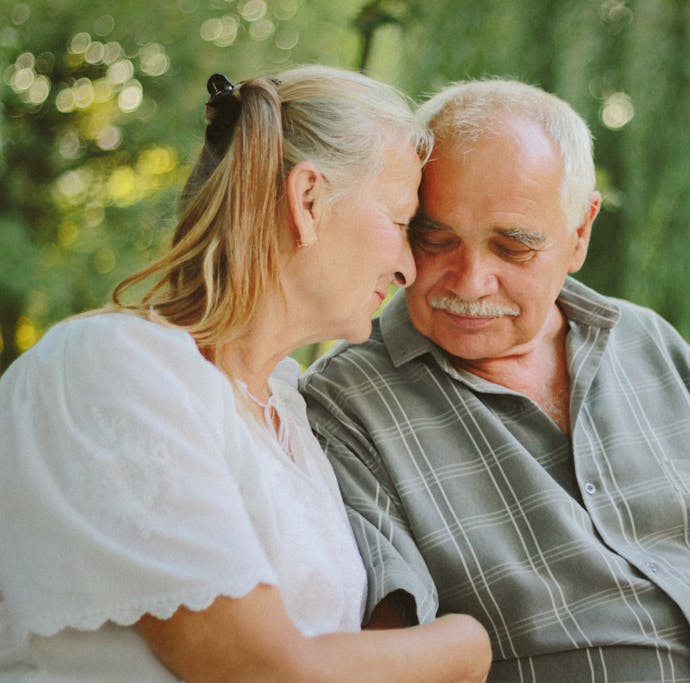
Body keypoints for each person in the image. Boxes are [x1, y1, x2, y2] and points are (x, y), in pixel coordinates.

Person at [301, 78, 690, 682]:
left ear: (580, 232)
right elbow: (392, 643)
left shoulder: (647, 343)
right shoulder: (347, 402)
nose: (471, 281)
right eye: (435, 240)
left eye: (512, 248)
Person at [0, 66, 491, 682]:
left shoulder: (284, 409)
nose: (407, 269)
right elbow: (267, 673)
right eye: (398, 224)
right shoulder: (112, 366)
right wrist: (468, 645)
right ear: (308, 200)